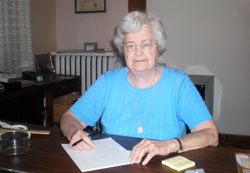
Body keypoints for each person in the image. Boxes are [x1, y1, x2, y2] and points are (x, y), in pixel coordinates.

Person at [60, 11, 218, 165]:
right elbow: (69, 118)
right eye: (130, 46)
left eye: (146, 44)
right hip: (113, 166)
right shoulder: (108, 82)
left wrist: (171, 144)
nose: (138, 52)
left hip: (161, 167)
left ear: (158, 47)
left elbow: (211, 135)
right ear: (124, 51)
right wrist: (74, 133)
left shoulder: (178, 84)